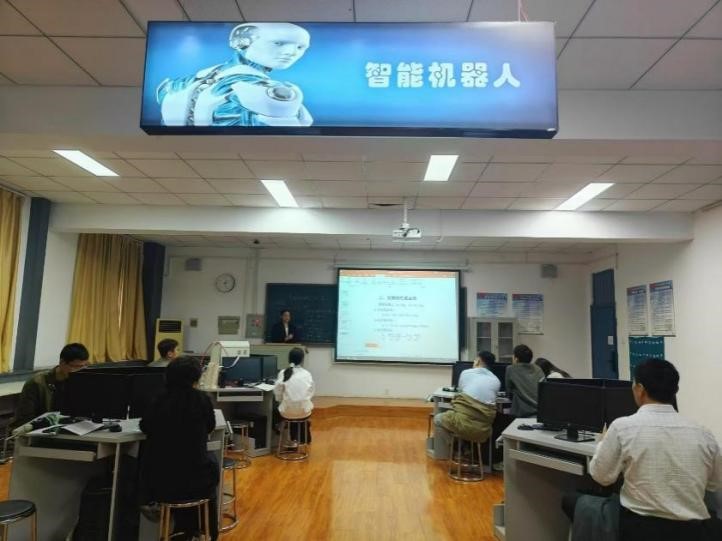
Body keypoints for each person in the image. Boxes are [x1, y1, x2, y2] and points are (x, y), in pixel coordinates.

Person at [587, 359, 722, 541]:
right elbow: (715, 484)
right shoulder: (703, 434)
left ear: (640, 389)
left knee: (586, 504)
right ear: (675, 390)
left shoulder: (622, 428)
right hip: (692, 532)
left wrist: (602, 442)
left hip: (639, 529)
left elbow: (601, 476)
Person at [157, 22, 313, 127]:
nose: (291, 52)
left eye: (300, 47)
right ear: (242, 41)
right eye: (278, 43)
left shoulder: (174, 85)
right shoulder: (270, 93)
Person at [140, 357, 219, 540]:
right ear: (196, 378)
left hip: (162, 482)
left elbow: (145, 427)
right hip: (197, 482)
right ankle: (202, 531)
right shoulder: (202, 400)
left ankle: (181, 530)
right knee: (211, 461)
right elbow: (210, 427)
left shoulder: (158, 400)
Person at [434, 353, 499, 452]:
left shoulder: (466, 373)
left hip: (462, 424)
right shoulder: (496, 381)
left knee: (437, 419)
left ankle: (456, 448)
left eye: (475, 360)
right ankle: (468, 449)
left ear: (478, 361)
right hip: (483, 430)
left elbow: (461, 392)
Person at [13, 343, 89, 427]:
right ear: (62, 362)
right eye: (76, 367)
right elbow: (25, 418)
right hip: (39, 429)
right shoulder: (37, 382)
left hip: (68, 427)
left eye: (83, 367)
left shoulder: (79, 381)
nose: (79, 371)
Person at [273, 347, 314, 443]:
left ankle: (284, 438)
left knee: (275, 411)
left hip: (286, 413)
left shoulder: (283, 373)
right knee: (298, 412)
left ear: (289, 359)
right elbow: (310, 392)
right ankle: (300, 438)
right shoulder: (307, 374)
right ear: (302, 360)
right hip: (304, 412)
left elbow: (277, 393)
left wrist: (282, 401)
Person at [505, 344, 544, 417]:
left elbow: (509, 393)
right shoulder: (538, 368)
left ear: (516, 358)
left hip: (521, 413)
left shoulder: (511, 369)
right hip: (540, 412)